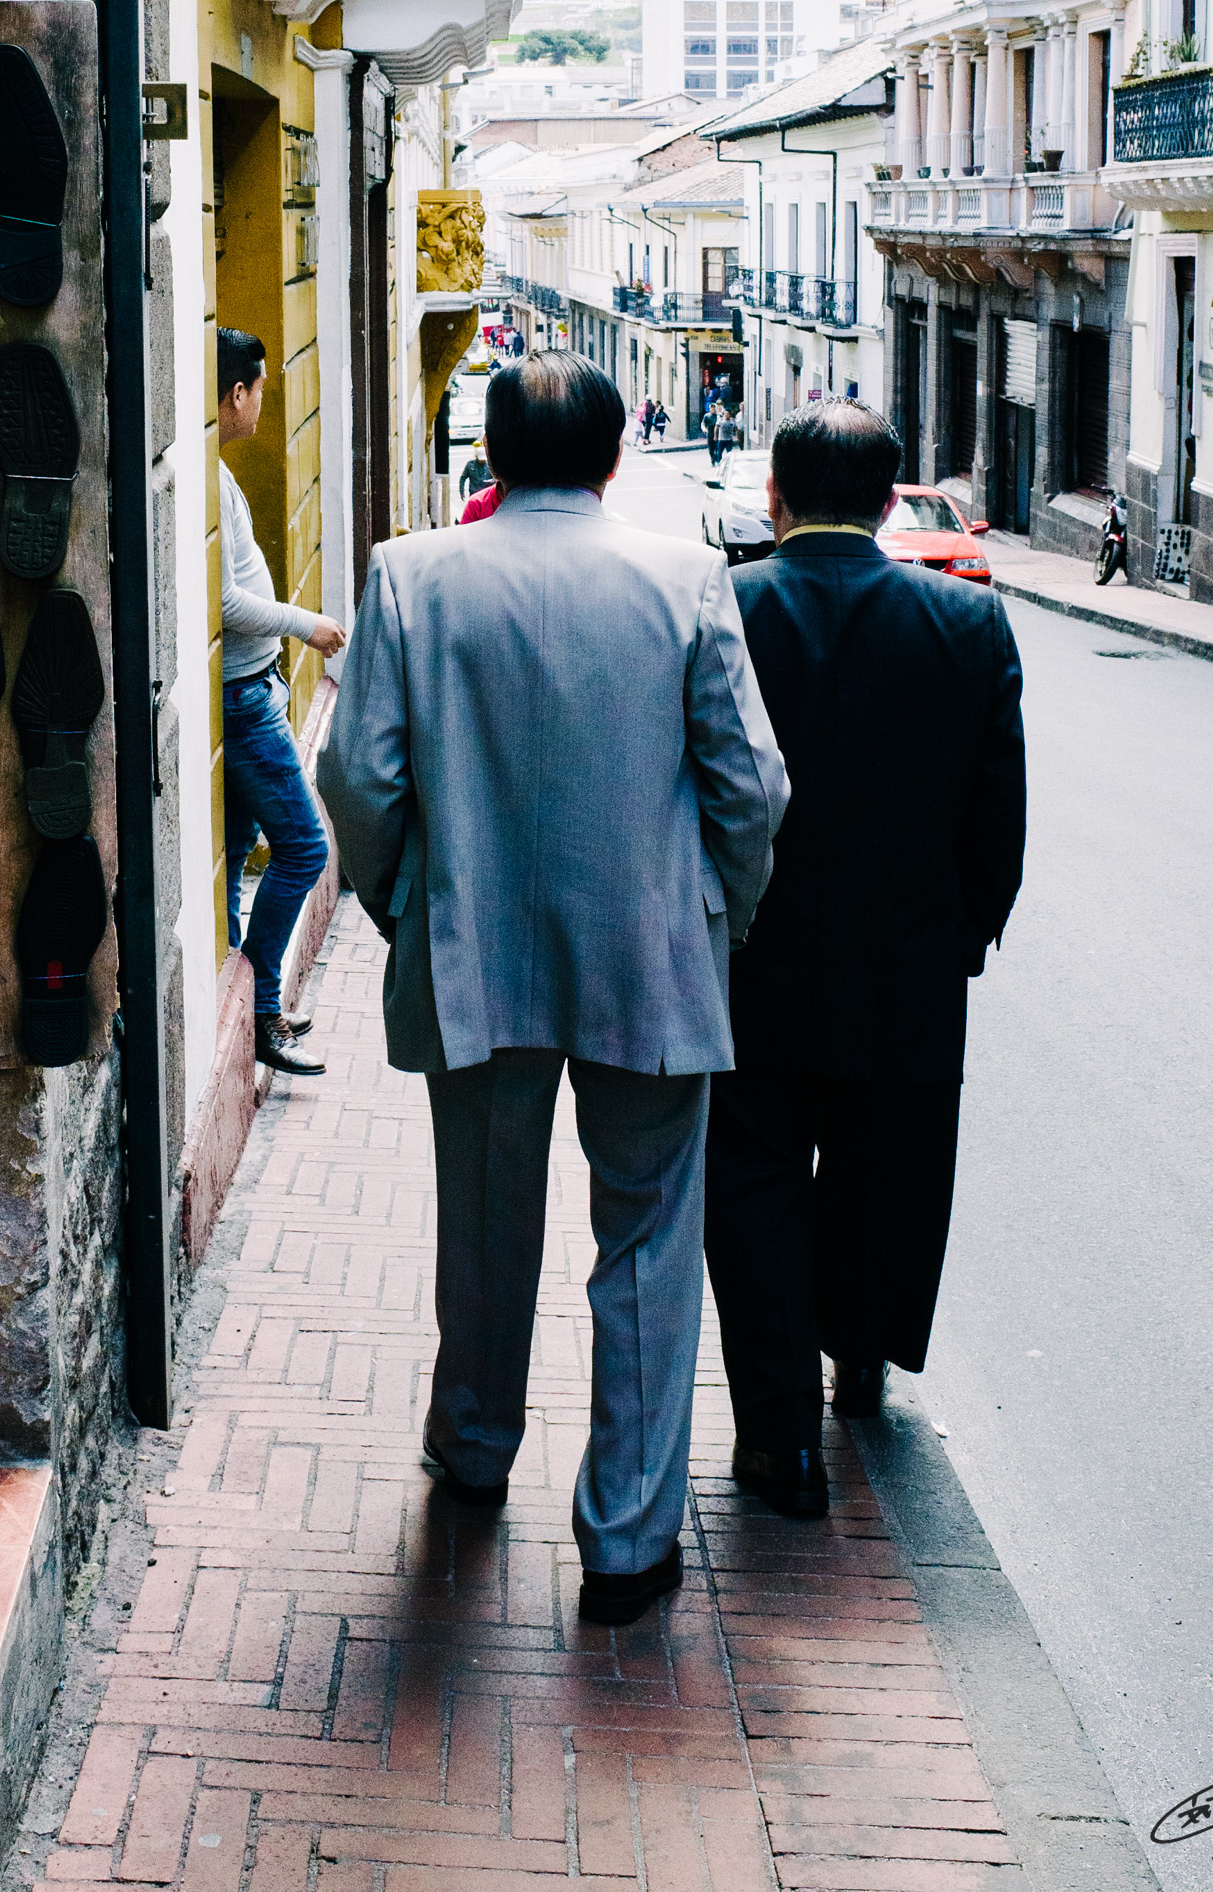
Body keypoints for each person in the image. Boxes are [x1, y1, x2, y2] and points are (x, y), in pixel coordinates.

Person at [318, 355, 789, 1625]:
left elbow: (355, 777)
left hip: (472, 954)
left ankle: (474, 1449)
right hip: (650, 956)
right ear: (613, 457)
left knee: (482, 1220)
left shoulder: (408, 576)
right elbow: (752, 786)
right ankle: (627, 1538)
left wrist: (397, 899)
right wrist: (720, 918)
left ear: (491, 451)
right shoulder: (685, 578)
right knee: (646, 1239)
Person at [704, 401, 1026, 1519]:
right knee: (885, 1178)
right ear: (891, 503)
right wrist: (956, 942)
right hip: (904, 973)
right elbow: (997, 820)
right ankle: (860, 1368)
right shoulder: (969, 626)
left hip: (749, 964)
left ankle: (777, 1435)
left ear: (776, 499)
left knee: (751, 1188)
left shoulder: (726, 608)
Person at [218, 328, 347, 1077]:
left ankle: (249, 1006)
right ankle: (263, 1007)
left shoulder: (216, 472)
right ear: (238, 394)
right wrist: (307, 627)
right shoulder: (209, 475)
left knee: (234, 858)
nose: (264, 401)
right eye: (261, 388)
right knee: (303, 848)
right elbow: (228, 601)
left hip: (243, 692)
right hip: (244, 702)